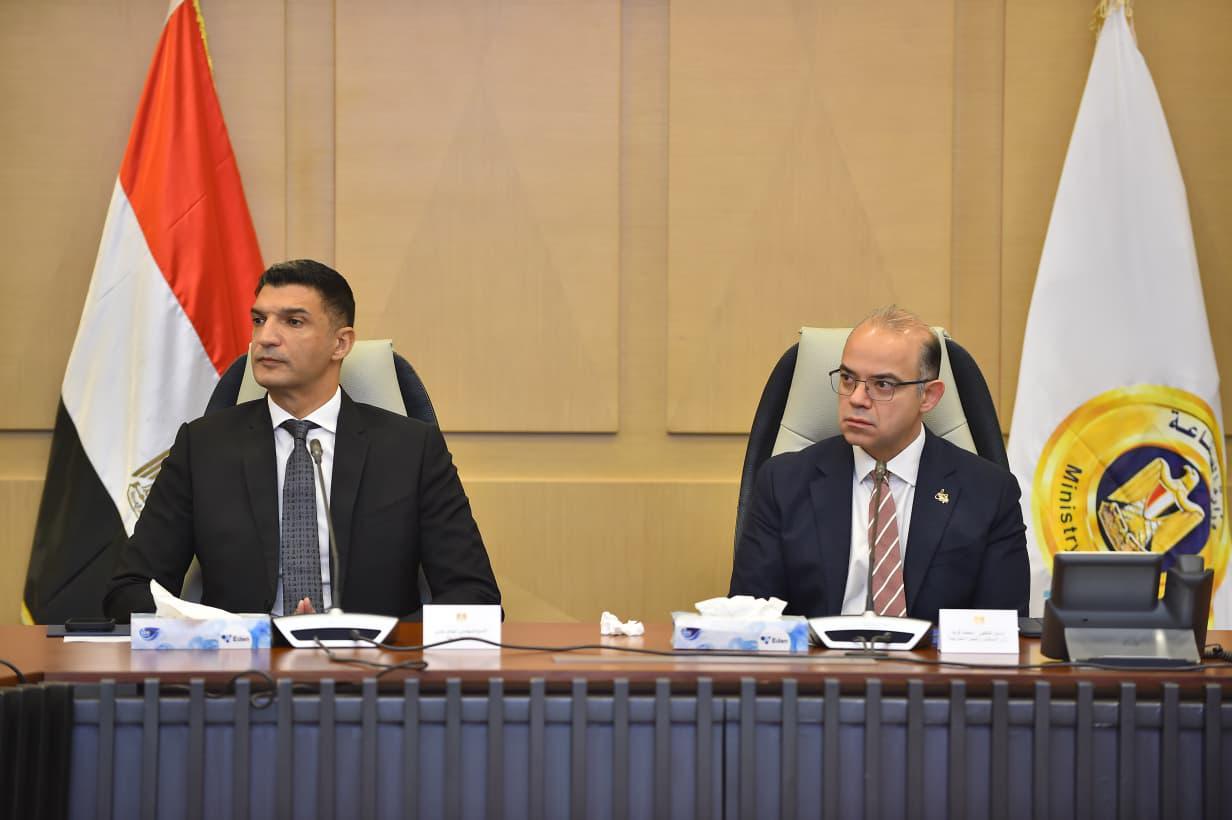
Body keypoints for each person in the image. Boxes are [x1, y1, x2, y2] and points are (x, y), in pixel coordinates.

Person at [104, 260, 500, 620]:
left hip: (371, 666)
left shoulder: (410, 450)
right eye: (259, 320)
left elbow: (474, 597)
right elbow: (130, 591)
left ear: (340, 344)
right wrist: (217, 629)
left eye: (293, 322)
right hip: (240, 664)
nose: (265, 338)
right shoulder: (203, 448)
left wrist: (381, 639)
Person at [729, 307, 1028, 622]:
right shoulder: (783, 483)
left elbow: (1002, 631)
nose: (857, 398)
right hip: (816, 653)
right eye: (848, 379)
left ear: (928, 396)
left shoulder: (989, 493)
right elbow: (749, 620)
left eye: (882, 384)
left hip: (936, 655)